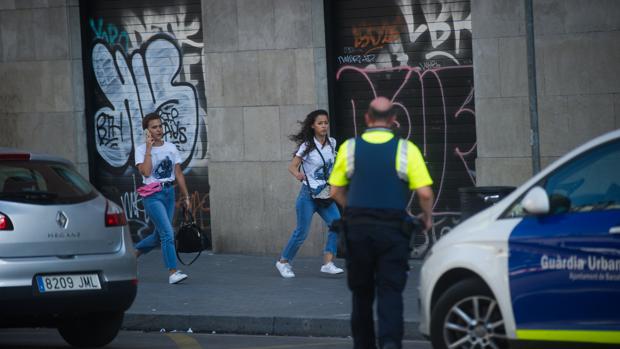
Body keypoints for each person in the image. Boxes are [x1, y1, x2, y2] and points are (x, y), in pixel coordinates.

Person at [329, 97, 434, 349]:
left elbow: (334, 191)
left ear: (367, 118)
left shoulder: (350, 148)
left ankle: (364, 345)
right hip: (392, 232)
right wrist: (427, 218)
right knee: (390, 292)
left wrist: (353, 209)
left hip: (358, 231)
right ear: (393, 120)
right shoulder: (406, 149)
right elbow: (425, 193)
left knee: (361, 295)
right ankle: (390, 343)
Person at [275, 109, 345, 278]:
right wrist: (299, 175)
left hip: (325, 194)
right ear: (313, 126)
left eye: (326, 123)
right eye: (320, 123)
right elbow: (292, 166)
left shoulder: (333, 143)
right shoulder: (306, 145)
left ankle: (328, 263)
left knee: (336, 225)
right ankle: (283, 262)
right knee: (301, 232)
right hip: (308, 195)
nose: (324, 126)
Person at [134, 112, 192, 285]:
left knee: (159, 236)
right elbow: (145, 172)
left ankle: (133, 255)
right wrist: (149, 149)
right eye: (154, 127)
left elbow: (178, 174)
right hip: (152, 196)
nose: (158, 129)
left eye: (160, 126)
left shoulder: (171, 147)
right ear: (147, 131)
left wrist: (186, 196)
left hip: (168, 193)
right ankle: (173, 272)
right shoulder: (141, 150)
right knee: (167, 232)